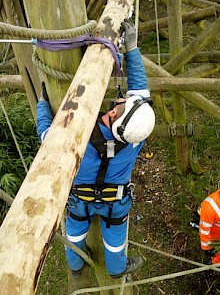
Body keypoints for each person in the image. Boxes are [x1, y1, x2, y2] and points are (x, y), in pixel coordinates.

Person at [36, 19, 155, 279]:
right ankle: (116, 270)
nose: (123, 98)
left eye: (120, 103)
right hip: (116, 200)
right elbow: (140, 91)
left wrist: (43, 104)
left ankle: (76, 266)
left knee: (75, 233)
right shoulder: (136, 136)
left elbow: (46, 133)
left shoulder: (76, 135)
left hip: (80, 199)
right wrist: (131, 50)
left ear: (112, 112)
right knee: (115, 240)